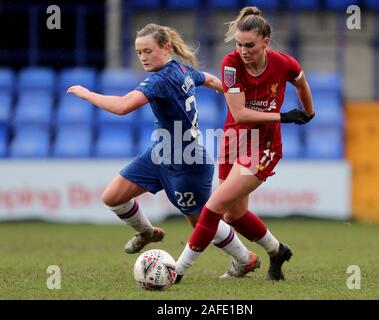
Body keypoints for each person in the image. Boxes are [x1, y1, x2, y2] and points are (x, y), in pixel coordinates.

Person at [67, 23, 260, 280]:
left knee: (202, 224)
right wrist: (233, 94)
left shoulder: (162, 79)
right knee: (113, 196)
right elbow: (211, 79)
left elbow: (124, 106)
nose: (143, 57)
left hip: (187, 162)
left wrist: (88, 93)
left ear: (166, 48)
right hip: (160, 153)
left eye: (148, 51)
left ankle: (245, 258)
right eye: (139, 52)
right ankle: (147, 232)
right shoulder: (182, 70)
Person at [175, 7, 315, 282]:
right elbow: (240, 114)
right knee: (233, 215)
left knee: (213, 206)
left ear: (266, 41)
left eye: (249, 45)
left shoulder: (284, 63)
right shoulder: (230, 64)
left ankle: (176, 271)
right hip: (234, 139)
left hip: (263, 147)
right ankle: (277, 251)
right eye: (239, 44)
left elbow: (300, 81)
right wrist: (285, 116)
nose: (243, 50)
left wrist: (309, 113)